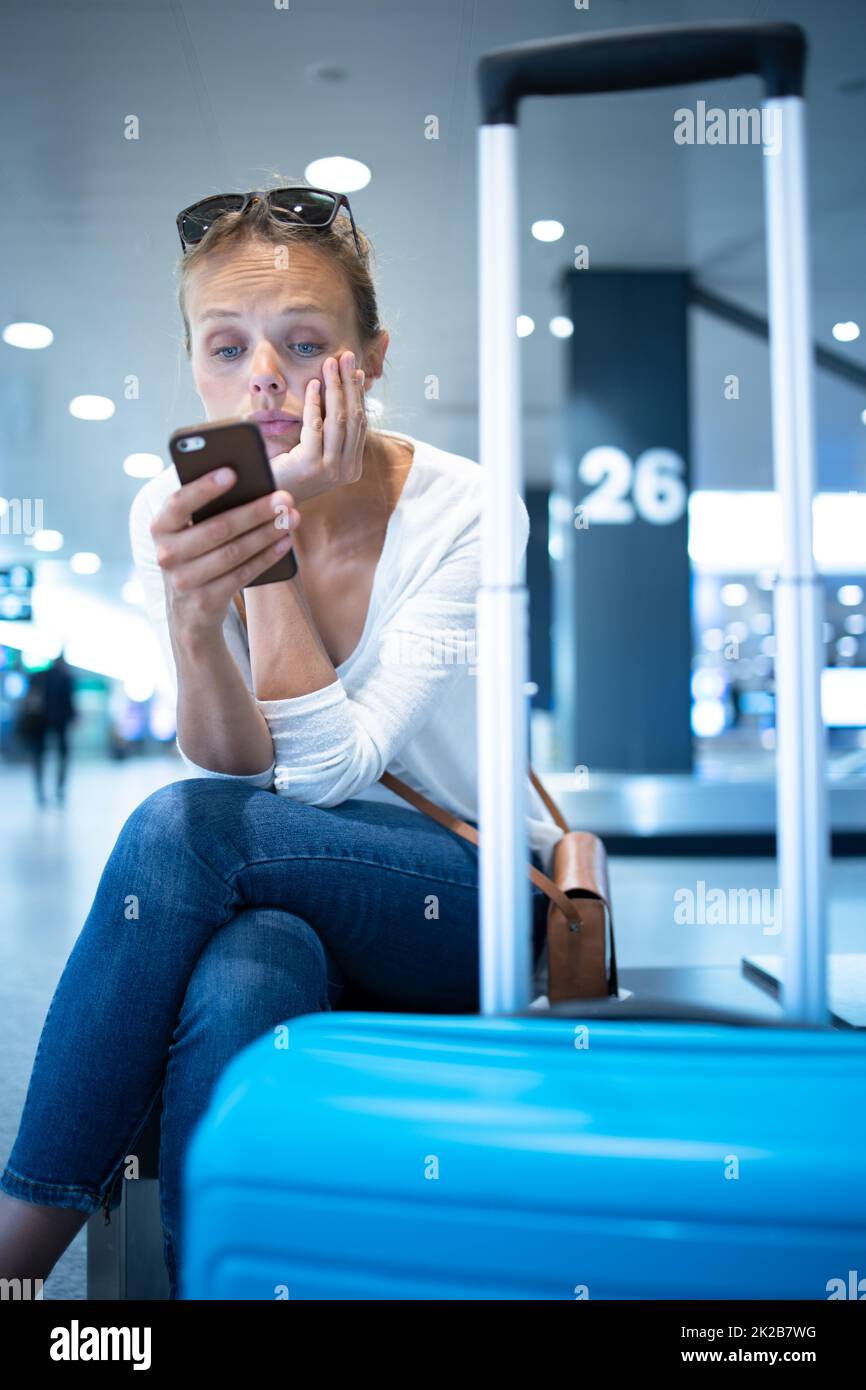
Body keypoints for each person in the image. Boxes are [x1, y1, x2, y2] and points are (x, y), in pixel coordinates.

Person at [0, 181, 561, 1298]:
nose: (259, 374)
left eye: (302, 342)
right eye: (224, 347)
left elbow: (323, 772)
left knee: (174, 828)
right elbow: (234, 759)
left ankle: (16, 1256)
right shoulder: (172, 504)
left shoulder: (466, 508)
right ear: (191, 362)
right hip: (297, 891)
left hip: (474, 899)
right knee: (246, 974)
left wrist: (264, 548)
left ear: (372, 357)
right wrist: (188, 610)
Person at [19, 652, 77, 805]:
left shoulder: (39, 676)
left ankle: (40, 791)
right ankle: (59, 790)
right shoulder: (66, 678)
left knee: (39, 756)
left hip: (40, 722)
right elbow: (69, 702)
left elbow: (28, 699)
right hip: (59, 721)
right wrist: (74, 717)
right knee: (62, 755)